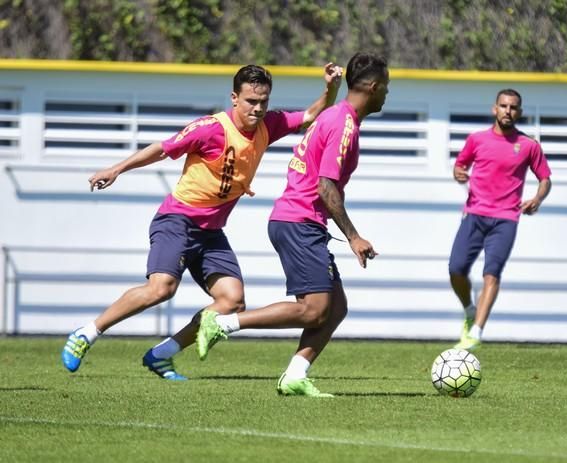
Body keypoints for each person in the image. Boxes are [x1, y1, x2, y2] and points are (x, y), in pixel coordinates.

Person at [61, 62, 343, 380]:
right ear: (234, 98)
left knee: (232, 301)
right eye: (252, 101)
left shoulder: (268, 125)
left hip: (211, 233)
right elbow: (162, 149)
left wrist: (330, 88)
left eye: (264, 101)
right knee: (161, 289)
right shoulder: (210, 128)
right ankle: (87, 333)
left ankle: (161, 354)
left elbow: (309, 116)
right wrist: (116, 169)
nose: (259, 108)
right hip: (177, 220)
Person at [195, 52, 389, 397]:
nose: (387, 94)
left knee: (335, 308)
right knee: (313, 310)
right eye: (386, 87)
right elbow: (325, 186)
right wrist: (354, 237)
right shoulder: (343, 125)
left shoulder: (336, 117)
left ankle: (296, 374)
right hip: (299, 221)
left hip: (299, 220)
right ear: (373, 87)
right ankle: (223, 322)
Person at [449, 88, 552, 352]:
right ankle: (469, 310)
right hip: (474, 214)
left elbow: (545, 179)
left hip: (506, 219)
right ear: (495, 109)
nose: (508, 111)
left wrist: (537, 199)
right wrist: (459, 173)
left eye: (513, 107)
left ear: (520, 112)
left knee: (491, 275)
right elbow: (460, 166)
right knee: (456, 269)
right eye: (504, 106)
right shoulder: (476, 140)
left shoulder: (529, 145)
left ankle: (476, 332)